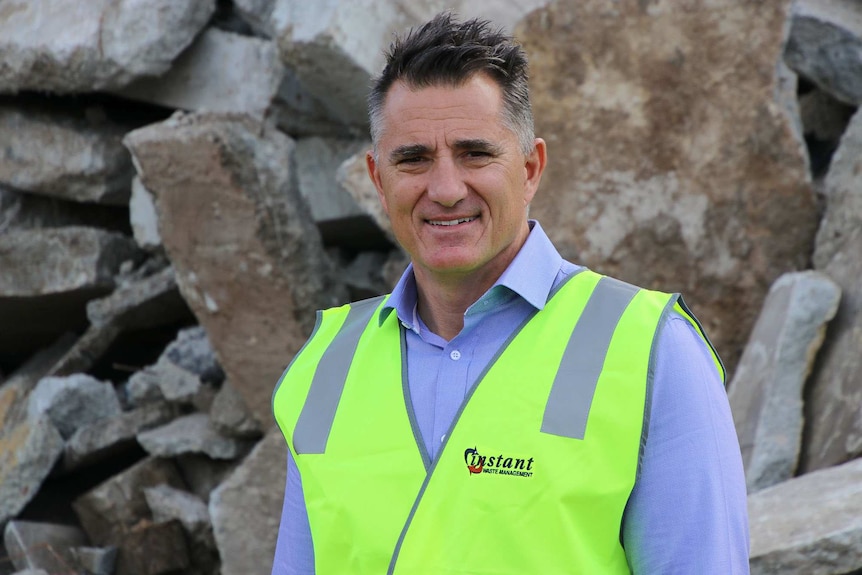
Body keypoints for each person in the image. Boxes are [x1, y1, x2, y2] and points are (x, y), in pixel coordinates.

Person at [271, 12, 749, 574]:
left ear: (530, 168)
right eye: (414, 159)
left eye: (475, 153)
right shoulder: (324, 369)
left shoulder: (654, 352)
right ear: (378, 179)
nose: (446, 190)